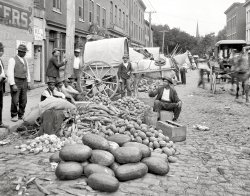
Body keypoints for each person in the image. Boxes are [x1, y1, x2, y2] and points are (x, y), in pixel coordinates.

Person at [8, 44, 31, 122]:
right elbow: (10, 72)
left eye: (25, 52)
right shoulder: (12, 59)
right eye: (23, 52)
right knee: (15, 99)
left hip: (24, 81)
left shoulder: (25, 60)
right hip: (16, 81)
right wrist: (12, 84)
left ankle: (21, 114)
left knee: (24, 99)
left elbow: (27, 71)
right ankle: (14, 115)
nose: (24, 54)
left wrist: (28, 82)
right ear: (19, 51)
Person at [0, 42, 8, 128]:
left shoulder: (0, 60)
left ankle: (0, 122)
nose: (2, 52)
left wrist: (4, 76)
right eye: (1, 50)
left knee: (0, 105)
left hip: (1, 86)